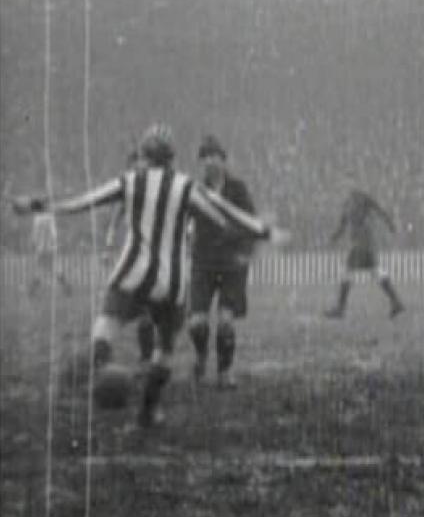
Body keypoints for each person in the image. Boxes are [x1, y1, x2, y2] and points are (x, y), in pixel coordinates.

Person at [10, 125, 284, 427]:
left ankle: (72, 386)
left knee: (104, 332)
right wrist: (265, 231)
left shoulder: (130, 180)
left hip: (132, 273)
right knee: (164, 350)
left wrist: (36, 205)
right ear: (172, 158)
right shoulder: (185, 185)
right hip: (171, 282)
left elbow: (83, 201)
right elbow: (225, 213)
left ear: (144, 155)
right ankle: (149, 411)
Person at [187, 135, 259, 388]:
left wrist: (245, 253)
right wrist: (187, 235)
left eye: (213, 156)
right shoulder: (197, 191)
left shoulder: (238, 190)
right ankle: (200, 356)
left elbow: (251, 223)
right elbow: (185, 220)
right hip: (203, 263)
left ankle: (224, 372)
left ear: (223, 159)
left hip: (231, 265)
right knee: (196, 323)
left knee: (226, 323)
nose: (209, 161)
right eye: (204, 157)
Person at [105, 148, 156, 364]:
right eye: (133, 168)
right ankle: (106, 349)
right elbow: (114, 221)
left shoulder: (156, 191)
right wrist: (108, 246)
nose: (138, 171)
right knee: (127, 307)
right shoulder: (126, 193)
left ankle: (147, 356)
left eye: (142, 166)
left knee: (148, 310)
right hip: (134, 255)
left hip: (154, 255)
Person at [324, 184, 404, 319]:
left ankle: (340, 308)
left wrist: (390, 224)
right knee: (375, 271)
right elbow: (343, 223)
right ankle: (396, 302)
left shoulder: (361, 198)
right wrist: (335, 237)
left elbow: (379, 210)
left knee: (348, 272)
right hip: (364, 243)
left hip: (362, 243)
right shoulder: (348, 203)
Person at [27, 210, 71, 296]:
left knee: (39, 269)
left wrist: (33, 243)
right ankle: (66, 287)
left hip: (41, 248)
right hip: (51, 248)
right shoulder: (50, 216)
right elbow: (54, 233)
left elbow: (36, 233)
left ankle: (32, 291)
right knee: (55, 268)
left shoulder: (37, 218)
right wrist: (55, 243)